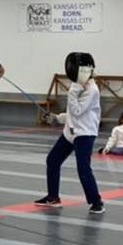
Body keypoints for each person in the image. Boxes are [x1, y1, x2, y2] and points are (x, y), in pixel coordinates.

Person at [35, 52, 104, 216]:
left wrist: (72, 91)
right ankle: (53, 197)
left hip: (84, 134)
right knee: (53, 160)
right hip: (71, 131)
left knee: (83, 169)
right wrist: (57, 118)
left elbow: (77, 110)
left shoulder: (92, 89)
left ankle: (97, 202)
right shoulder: (79, 86)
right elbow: (72, 113)